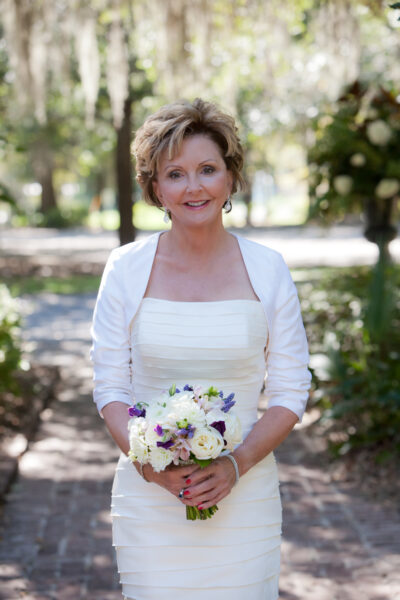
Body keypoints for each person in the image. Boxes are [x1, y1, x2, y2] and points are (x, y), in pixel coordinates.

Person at [90, 98, 311, 600]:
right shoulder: (124, 268)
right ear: (154, 188)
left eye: (208, 169)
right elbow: (110, 384)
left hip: (246, 494)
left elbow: (291, 389)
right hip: (149, 500)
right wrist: (151, 466)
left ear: (230, 179)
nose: (194, 187)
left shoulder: (269, 268)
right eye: (176, 174)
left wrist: (235, 464)